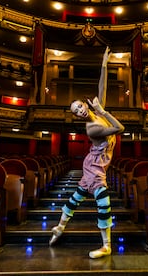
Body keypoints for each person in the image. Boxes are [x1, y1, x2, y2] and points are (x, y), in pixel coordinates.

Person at [49, 46, 125, 259]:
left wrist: (104, 63)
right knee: (103, 202)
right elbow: (120, 129)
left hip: (96, 162)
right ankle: (107, 245)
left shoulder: (97, 110)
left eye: (80, 106)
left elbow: (103, 86)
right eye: (76, 111)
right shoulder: (92, 128)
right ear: (76, 116)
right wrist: (104, 111)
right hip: (95, 166)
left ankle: (60, 226)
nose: (80, 110)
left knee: (77, 196)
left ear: (85, 103)